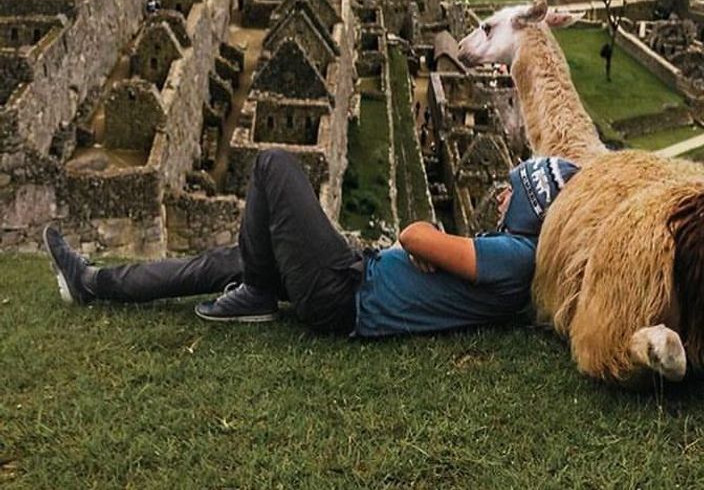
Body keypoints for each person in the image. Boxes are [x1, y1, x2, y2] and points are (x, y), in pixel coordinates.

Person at [43, 149, 579, 337]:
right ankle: (92, 283)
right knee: (221, 262)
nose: (501, 196)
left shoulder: (515, 258)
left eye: (512, 189)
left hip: (345, 293)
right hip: (347, 283)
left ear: (534, 200)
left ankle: (256, 292)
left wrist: (424, 237)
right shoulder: (510, 256)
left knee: (274, 165)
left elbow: (413, 234)